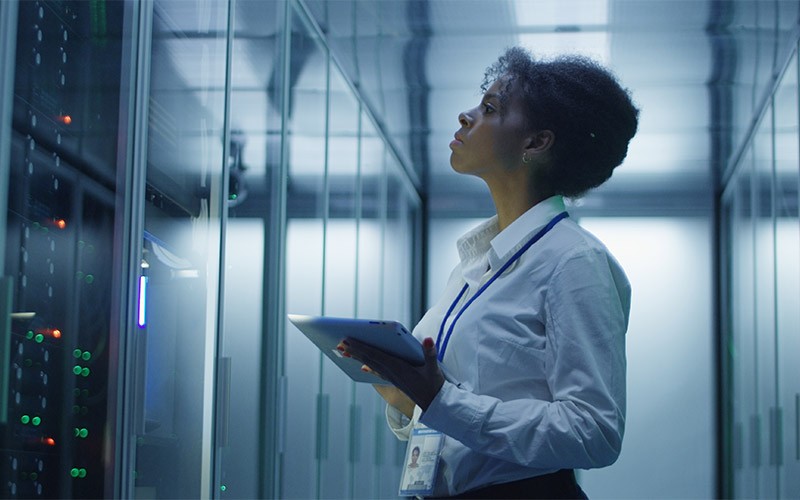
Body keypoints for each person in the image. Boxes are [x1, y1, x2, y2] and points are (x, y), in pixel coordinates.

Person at [339, 46, 639, 498]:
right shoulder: (472, 264)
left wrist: (442, 400)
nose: (465, 116)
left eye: (490, 109)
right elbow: (456, 404)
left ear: (536, 142)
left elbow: (593, 430)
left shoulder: (574, 262)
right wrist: (406, 393)